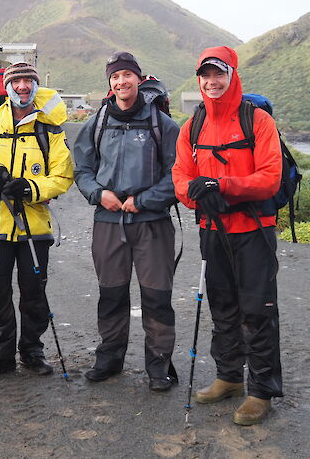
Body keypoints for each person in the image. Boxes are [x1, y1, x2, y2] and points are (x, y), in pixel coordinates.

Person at [172, 46, 283, 425]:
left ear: (233, 75)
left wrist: (222, 184)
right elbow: (180, 178)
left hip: (254, 231)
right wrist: (197, 193)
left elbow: (270, 178)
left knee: (258, 310)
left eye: (218, 74)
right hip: (212, 230)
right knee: (222, 307)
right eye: (205, 75)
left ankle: (261, 391)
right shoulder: (193, 126)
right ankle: (229, 377)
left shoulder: (259, 122)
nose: (211, 81)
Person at [73, 52, 180, 392]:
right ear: (110, 83)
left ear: (139, 78)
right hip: (108, 221)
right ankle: (109, 358)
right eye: (115, 77)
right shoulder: (99, 120)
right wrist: (97, 194)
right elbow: (82, 169)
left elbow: (177, 175)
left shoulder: (162, 124)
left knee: (157, 297)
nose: (121, 82)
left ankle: (159, 365)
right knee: (112, 294)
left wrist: (143, 200)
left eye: (127, 75)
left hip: (152, 223)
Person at [0, 63, 74, 379]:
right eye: (17, 81)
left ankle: (32, 352)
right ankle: (0, 356)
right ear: (7, 87)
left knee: (34, 293)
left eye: (29, 81)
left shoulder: (48, 126)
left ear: (36, 86)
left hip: (35, 227)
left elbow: (63, 175)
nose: (23, 86)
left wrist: (32, 188)